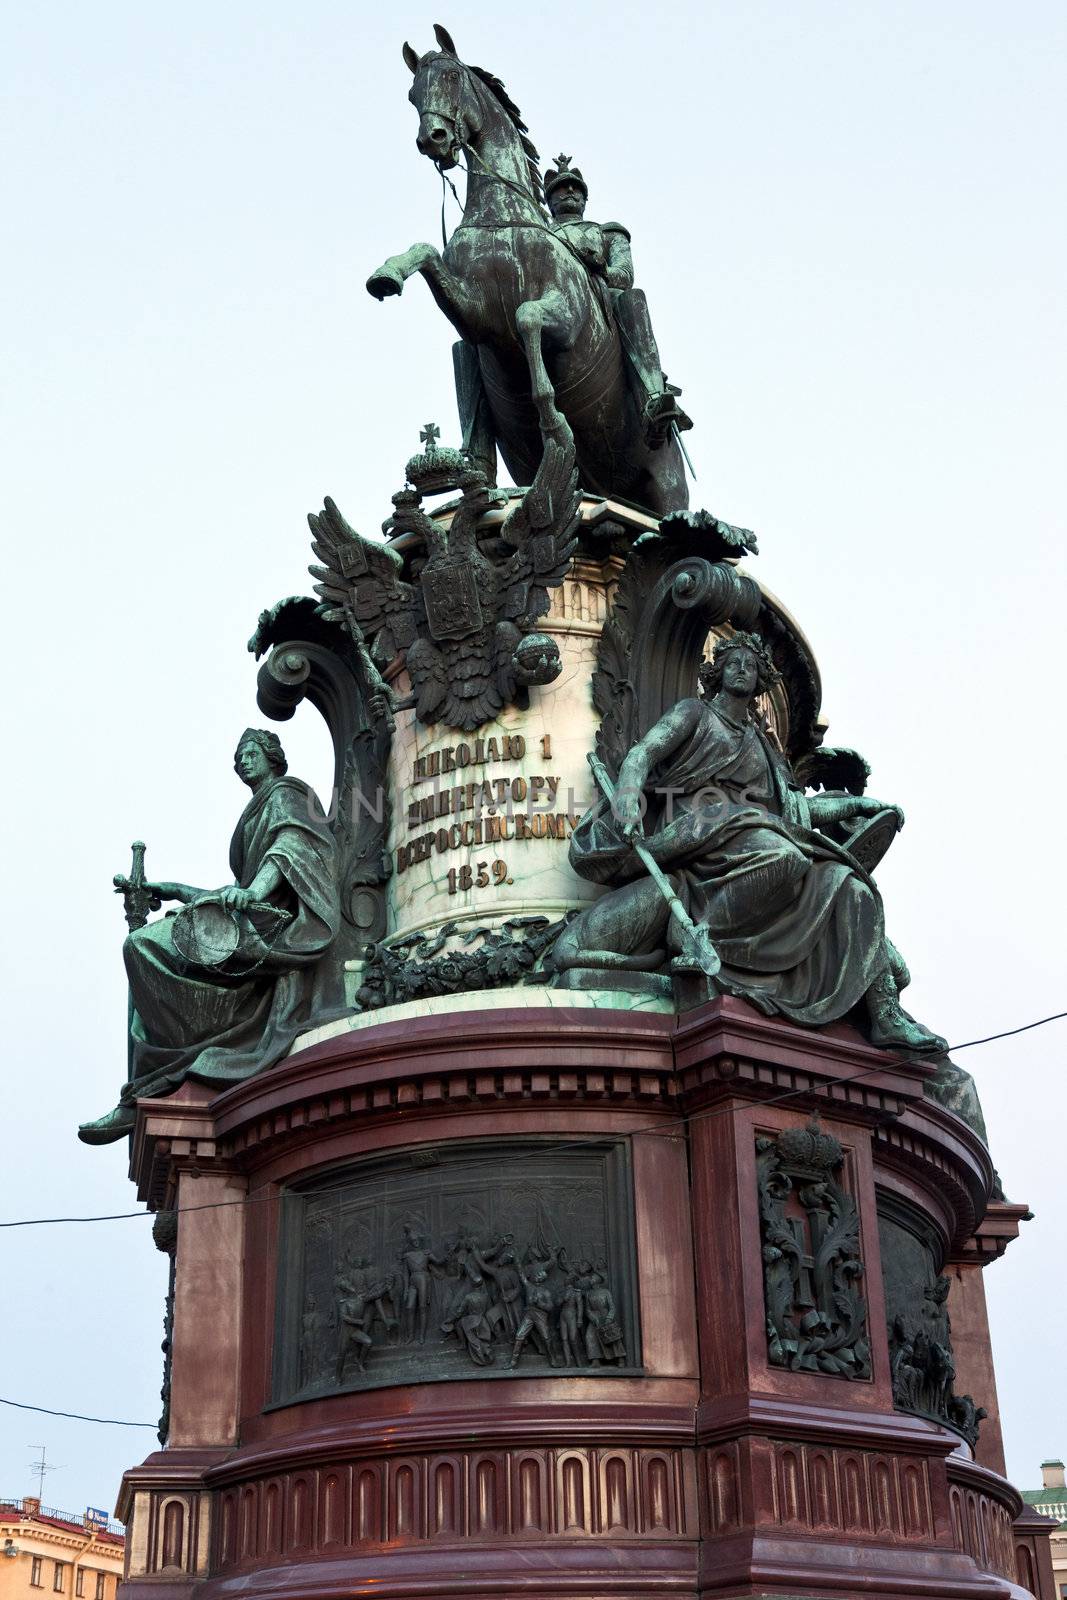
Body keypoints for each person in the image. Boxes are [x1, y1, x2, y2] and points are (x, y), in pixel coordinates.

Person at [554, 633, 945, 1052]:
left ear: (760, 680)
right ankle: (699, 935)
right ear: (717, 670)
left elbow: (792, 813)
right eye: (733, 662)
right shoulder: (694, 713)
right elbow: (640, 755)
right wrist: (628, 801)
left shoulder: (761, 744)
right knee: (787, 858)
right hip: (702, 828)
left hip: (752, 834)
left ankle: (885, 1015)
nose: (742, 669)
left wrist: (861, 805)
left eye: (751, 665)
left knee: (849, 883)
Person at [78, 729, 340, 1144]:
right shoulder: (255, 808)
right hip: (248, 922)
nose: (242, 762)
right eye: (238, 757)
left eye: (250, 753)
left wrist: (255, 891)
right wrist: (177, 891)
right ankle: (144, 1087)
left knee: (141, 946)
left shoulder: (288, 794)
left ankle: (152, 1080)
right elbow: (236, 893)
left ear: (273, 756)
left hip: (279, 931)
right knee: (141, 957)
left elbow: (290, 848)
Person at [544, 155, 691, 448]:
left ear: (585, 199)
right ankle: (477, 449)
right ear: (549, 200)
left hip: (599, 298)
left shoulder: (606, 232)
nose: (570, 192)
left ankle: (651, 396)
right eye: (561, 189)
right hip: (549, 303)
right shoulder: (534, 236)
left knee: (632, 299)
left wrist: (601, 267)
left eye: (576, 188)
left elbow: (624, 276)